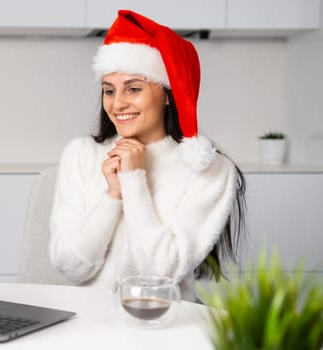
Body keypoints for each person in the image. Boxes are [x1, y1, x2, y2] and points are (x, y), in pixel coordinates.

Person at [48, 10, 246, 301]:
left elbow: (158, 275)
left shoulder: (208, 168)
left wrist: (133, 179)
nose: (117, 104)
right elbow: (71, 267)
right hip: (88, 322)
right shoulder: (81, 154)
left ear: (168, 94)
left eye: (134, 88)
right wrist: (112, 196)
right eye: (109, 90)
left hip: (163, 323)